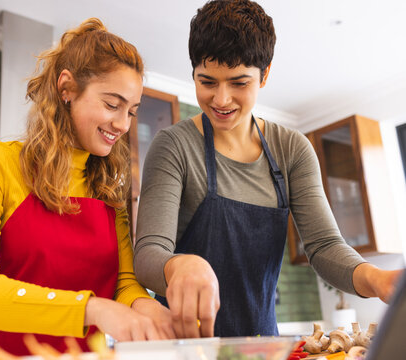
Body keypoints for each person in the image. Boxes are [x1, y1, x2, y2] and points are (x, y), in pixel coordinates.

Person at [133, 0, 404, 339]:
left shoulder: (292, 149)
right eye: (207, 82)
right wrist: (177, 265)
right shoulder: (173, 146)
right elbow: (147, 254)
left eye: (238, 83)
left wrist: (377, 279)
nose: (221, 99)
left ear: (265, 74)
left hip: (264, 344)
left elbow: (323, 247)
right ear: (193, 73)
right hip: (184, 345)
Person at [0, 18, 173, 359]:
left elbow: (124, 284)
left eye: (132, 111)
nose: (123, 124)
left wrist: (151, 312)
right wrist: (90, 309)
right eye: (112, 105)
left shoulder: (108, 191)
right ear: (67, 87)